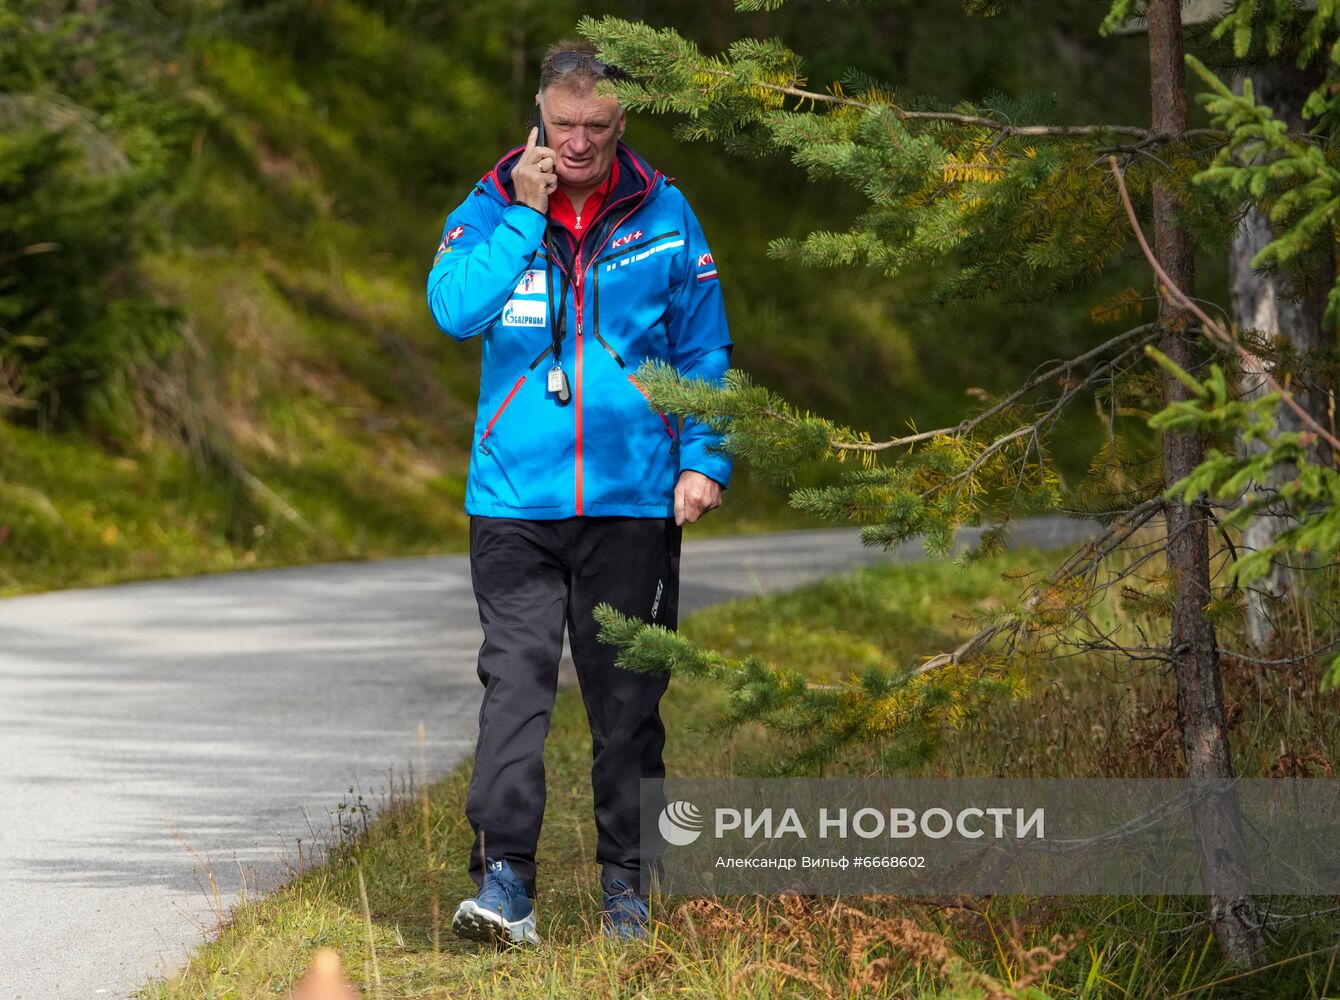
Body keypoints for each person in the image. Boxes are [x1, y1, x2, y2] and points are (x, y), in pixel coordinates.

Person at [425, 41, 732, 944]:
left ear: (622, 119)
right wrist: (525, 215)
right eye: (564, 125)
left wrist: (704, 459)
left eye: (597, 126)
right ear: (540, 112)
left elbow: (703, 349)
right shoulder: (488, 206)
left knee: (627, 700)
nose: (580, 142)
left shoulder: (667, 214)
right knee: (514, 683)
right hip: (514, 502)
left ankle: (630, 891)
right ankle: (506, 882)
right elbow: (453, 309)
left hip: (634, 500)